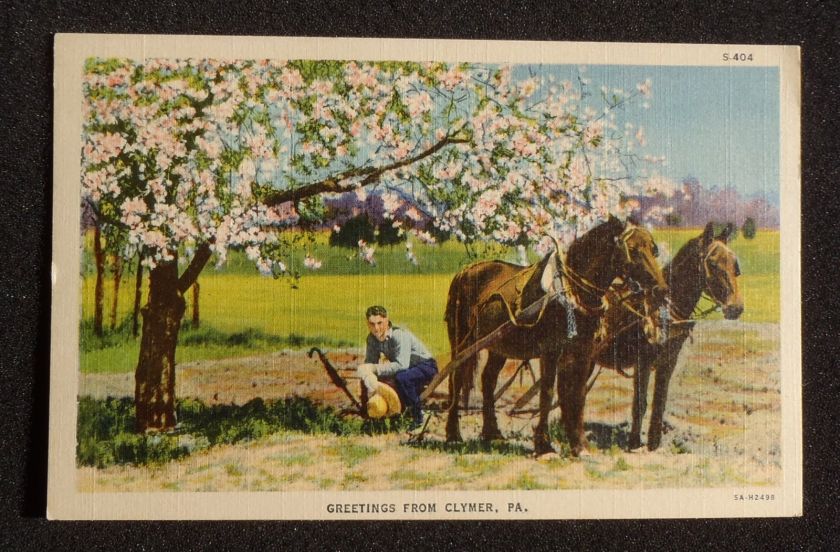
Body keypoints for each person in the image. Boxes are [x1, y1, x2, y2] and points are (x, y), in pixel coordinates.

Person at [356, 305, 437, 431]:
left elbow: (401, 365)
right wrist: (367, 372)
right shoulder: (371, 339)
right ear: (368, 323)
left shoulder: (399, 335)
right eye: (372, 324)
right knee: (367, 378)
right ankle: (369, 414)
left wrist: (373, 368)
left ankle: (419, 417)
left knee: (402, 378)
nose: (376, 328)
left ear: (387, 321)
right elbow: (370, 363)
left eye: (379, 323)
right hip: (407, 368)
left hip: (425, 366)